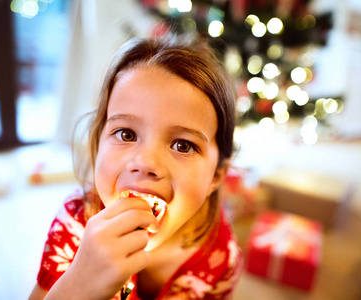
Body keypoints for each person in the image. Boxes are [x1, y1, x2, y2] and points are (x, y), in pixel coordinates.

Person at [29, 34, 243, 300]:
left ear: (216, 176)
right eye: (126, 134)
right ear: (98, 146)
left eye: (183, 146)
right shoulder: (75, 223)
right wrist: (77, 286)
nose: (146, 163)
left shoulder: (220, 257)